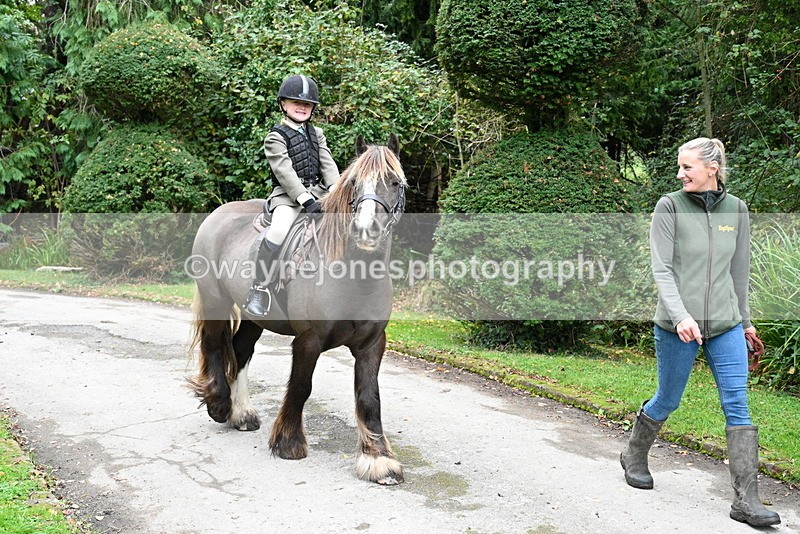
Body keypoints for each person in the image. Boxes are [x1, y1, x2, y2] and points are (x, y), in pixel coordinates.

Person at [620, 137, 781, 527]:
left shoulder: (737, 210)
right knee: (668, 399)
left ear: (713, 168)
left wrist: (745, 322)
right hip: (678, 325)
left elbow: (738, 273)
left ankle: (746, 501)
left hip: (725, 323)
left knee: (737, 403)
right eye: (680, 166)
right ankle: (634, 454)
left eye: (688, 167)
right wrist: (680, 316)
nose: (680, 173)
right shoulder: (670, 206)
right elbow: (662, 270)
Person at [243, 74, 340, 317]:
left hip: (318, 193)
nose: (302, 107)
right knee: (278, 231)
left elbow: (328, 164)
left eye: (307, 104)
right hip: (287, 198)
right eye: (295, 102)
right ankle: (259, 287)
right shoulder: (275, 137)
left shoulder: (317, 133)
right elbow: (284, 172)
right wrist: (304, 200)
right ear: (283, 104)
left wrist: (337, 191)